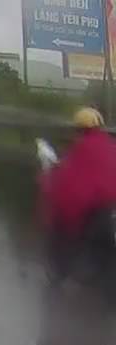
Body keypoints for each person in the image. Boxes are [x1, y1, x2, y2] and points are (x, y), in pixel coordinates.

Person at [39, 107, 116, 284]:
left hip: (94, 209)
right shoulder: (110, 145)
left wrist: (51, 180)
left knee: (65, 223)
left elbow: (71, 179)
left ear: (79, 129)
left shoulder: (81, 148)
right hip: (110, 207)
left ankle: (64, 271)